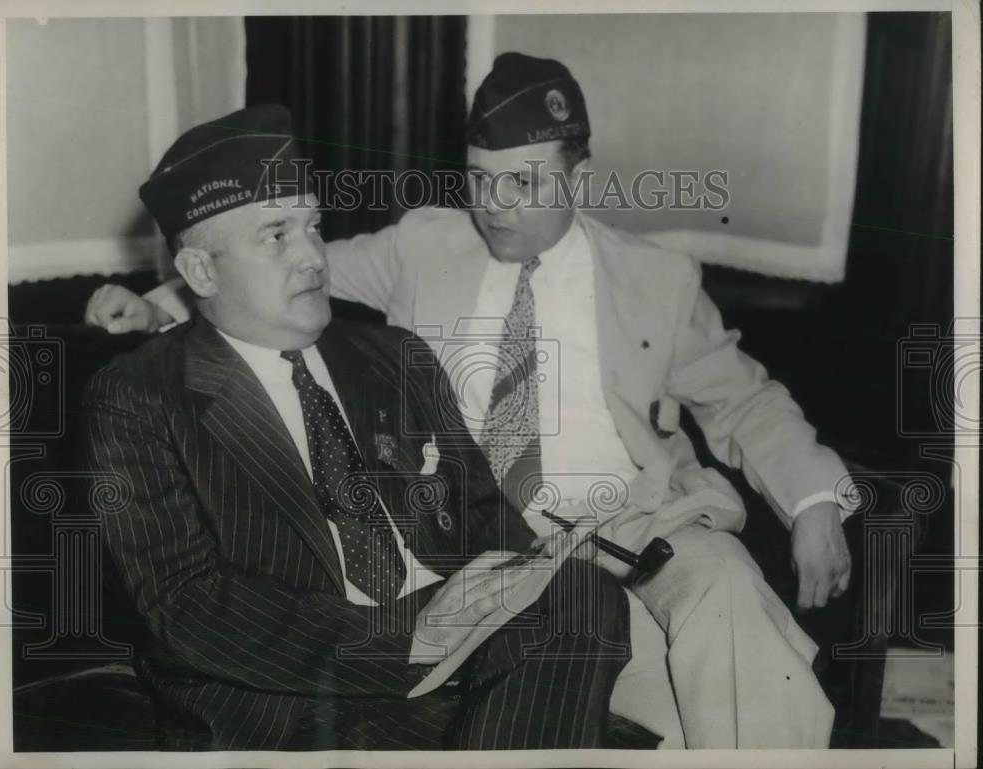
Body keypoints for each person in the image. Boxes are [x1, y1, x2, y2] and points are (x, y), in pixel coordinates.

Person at [85, 54, 853, 748]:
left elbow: (744, 399)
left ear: (576, 178)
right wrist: (158, 303)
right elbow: (280, 273)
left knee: (729, 611)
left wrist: (814, 499)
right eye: (480, 180)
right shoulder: (424, 244)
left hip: (639, 525)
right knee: (656, 698)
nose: (496, 205)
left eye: (525, 182)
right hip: (486, 545)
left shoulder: (655, 278)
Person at [82, 104, 634, 751]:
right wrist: (410, 632)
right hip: (296, 698)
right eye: (277, 235)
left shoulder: (392, 355)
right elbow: (186, 606)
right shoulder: (138, 397)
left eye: (313, 226)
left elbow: (487, 514)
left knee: (582, 591)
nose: (313, 255)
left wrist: (510, 580)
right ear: (202, 271)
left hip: (461, 651)